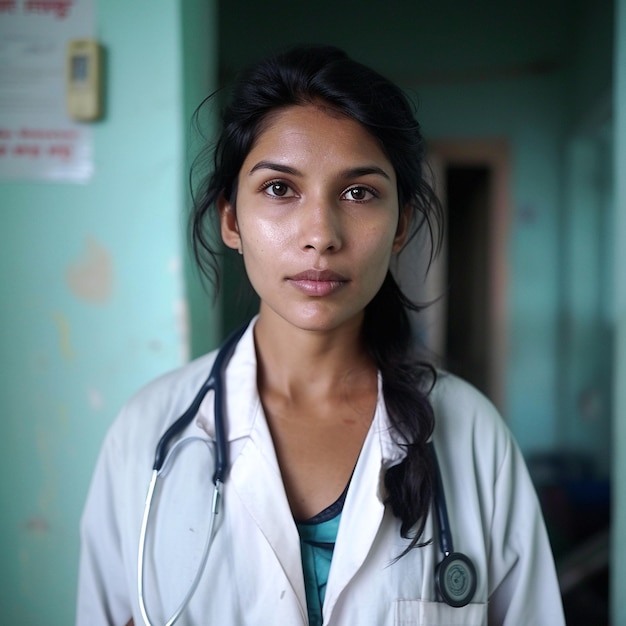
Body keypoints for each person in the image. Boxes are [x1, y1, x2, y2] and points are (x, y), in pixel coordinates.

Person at [77, 45, 565, 625]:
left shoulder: (473, 436)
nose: (320, 234)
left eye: (358, 193)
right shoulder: (147, 432)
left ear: (401, 225)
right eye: (280, 189)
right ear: (231, 220)